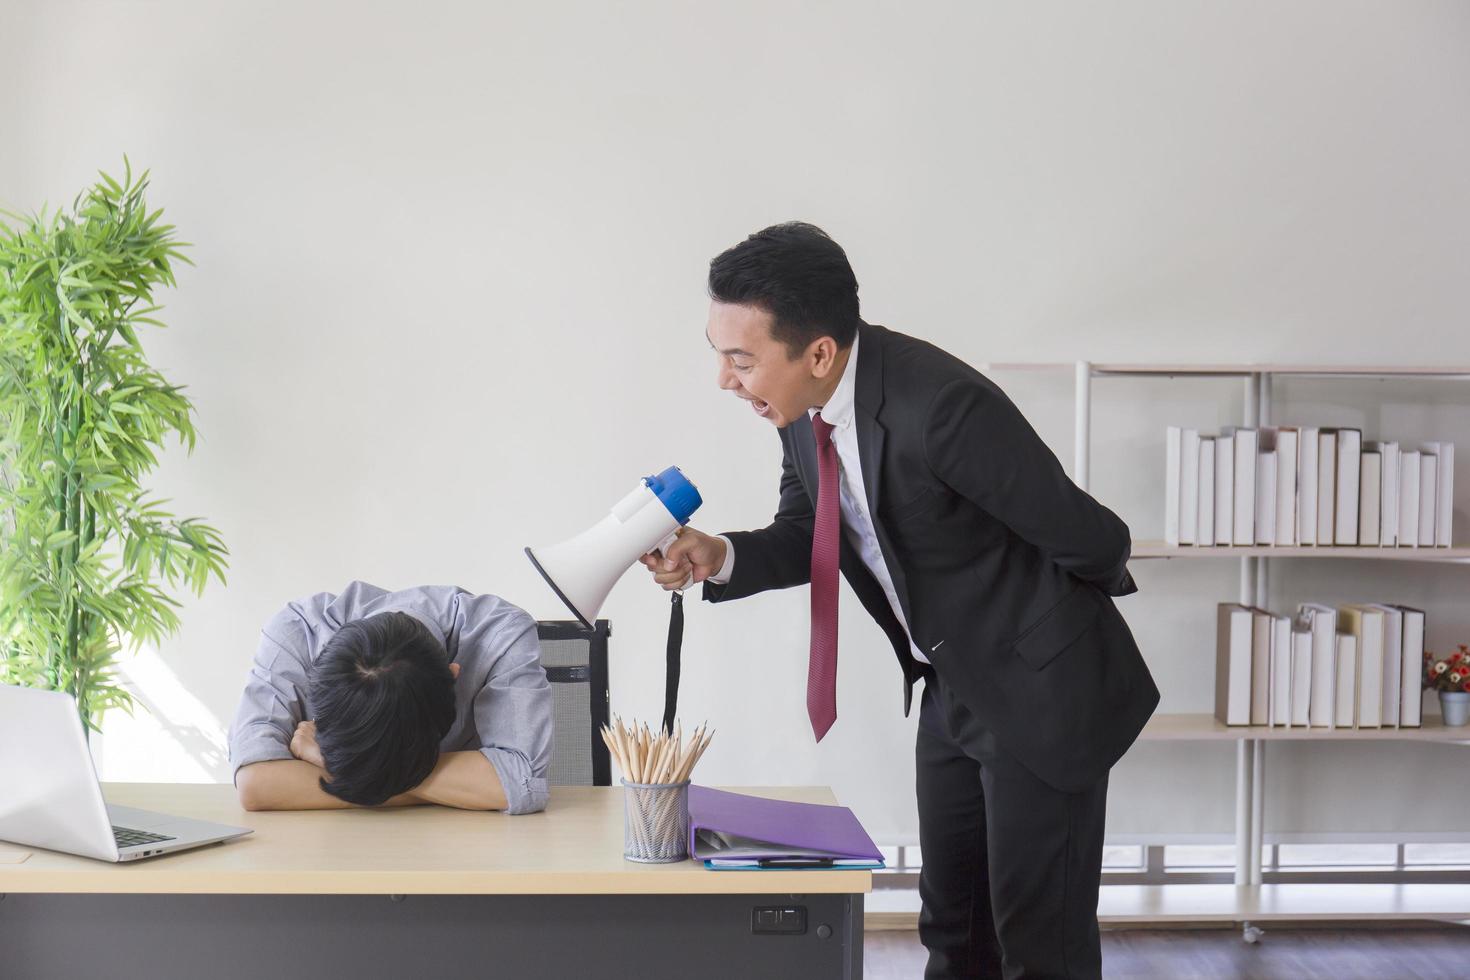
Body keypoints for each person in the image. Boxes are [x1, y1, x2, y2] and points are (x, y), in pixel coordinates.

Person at [641, 222, 1159, 978]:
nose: (727, 380)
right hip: (950, 689)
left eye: (742, 359)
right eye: (721, 354)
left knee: (1038, 947)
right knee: (954, 932)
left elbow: (1095, 541)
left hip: (1040, 698)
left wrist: (1033, 644)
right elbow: (806, 533)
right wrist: (717, 556)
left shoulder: (943, 408)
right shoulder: (800, 411)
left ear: (817, 352)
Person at [228, 580, 552, 814]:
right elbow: (257, 784)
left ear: (454, 677)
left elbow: (516, 782)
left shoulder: (501, 633)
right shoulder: (299, 632)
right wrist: (460, 786)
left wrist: (345, 768)